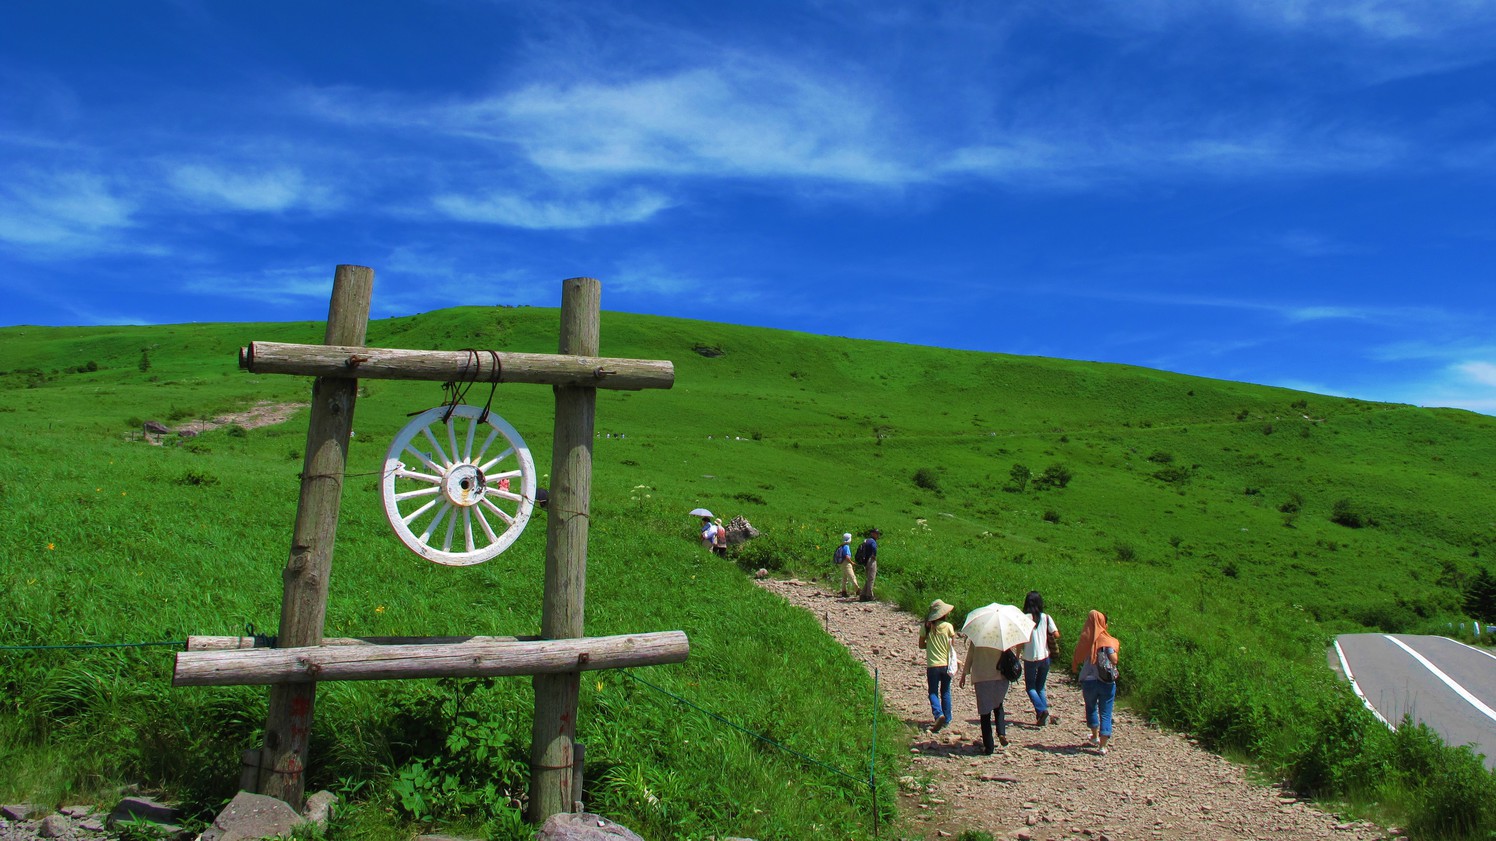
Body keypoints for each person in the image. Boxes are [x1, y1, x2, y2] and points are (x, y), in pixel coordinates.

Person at [958, 639, 1022, 754]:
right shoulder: (1002, 637)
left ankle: (989, 747)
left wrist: (964, 674)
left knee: (985, 713)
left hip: (982, 677)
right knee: (998, 705)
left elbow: (970, 657)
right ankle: (1001, 733)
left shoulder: (977, 638)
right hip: (1000, 677)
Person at [1072, 609, 1120, 755]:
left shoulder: (1086, 639)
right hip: (1106, 681)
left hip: (1089, 681)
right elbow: (1114, 660)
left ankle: (1094, 735)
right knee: (1106, 712)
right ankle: (1103, 746)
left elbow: (1078, 656)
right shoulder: (1107, 640)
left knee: (1091, 707)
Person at [1020, 590, 1061, 726]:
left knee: (1030, 687)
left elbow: (1020, 640)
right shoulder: (1046, 617)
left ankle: (1042, 710)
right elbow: (1056, 634)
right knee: (1041, 687)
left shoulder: (1023, 618)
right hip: (1045, 656)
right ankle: (1042, 715)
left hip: (1030, 657)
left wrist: (1016, 655)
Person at [918, 599, 957, 732]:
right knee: (945, 691)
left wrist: (930, 645)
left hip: (932, 665)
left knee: (933, 692)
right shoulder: (948, 626)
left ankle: (938, 713)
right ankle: (947, 718)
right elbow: (952, 645)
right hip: (945, 664)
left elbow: (921, 645)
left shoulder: (926, 627)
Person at [857, 528, 880, 602]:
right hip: (871, 560)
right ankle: (869, 595)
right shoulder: (873, 541)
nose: (877, 535)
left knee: (868, 578)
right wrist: (874, 556)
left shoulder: (866, 540)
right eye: (876, 533)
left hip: (865, 561)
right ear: (873, 534)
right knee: (871, 578)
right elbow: (874, 549)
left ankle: (863, 594)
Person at [832, 533, 858, 597]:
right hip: (846, 563)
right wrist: (852, 562)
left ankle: (844, 591)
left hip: (842, 563)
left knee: (844, 578)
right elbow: (847, 556)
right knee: (852, 577)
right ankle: (858, 589)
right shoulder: (846, 546)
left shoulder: (842, 546)